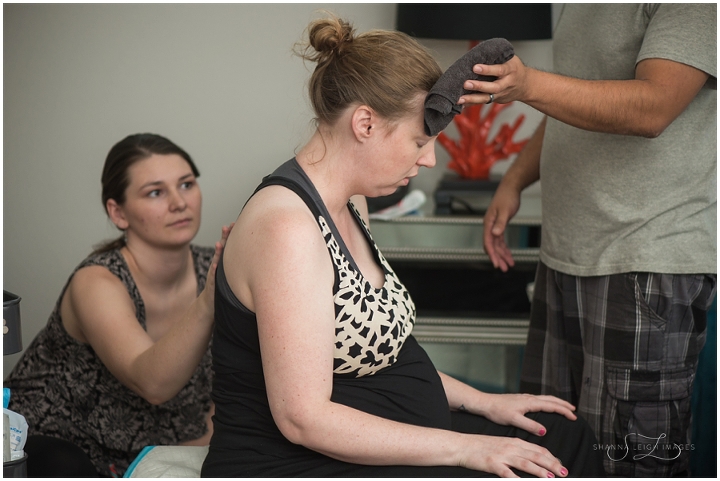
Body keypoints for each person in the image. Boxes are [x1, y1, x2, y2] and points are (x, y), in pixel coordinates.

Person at [201, 16, 605, 478]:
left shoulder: (350, 200)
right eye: (419, 139)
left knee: (561, 434)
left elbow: (384, 354)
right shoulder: (287, 228)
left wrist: (484, 402)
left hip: (380, 426)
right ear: (365, 123)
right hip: (293, 462)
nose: (429, 158)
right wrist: (465, 448)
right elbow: (302, 419)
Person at [458, 4, 716, 477]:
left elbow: (653, 106)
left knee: (629, 461)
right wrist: (514, 180)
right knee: (549, 443)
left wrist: (528, 84)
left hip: (644, 259)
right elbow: (571, 101)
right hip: (564, 257)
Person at [5, 133, 232, 477]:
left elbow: (235, 382)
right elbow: (152, 383)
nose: (178, 202)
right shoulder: (96, 281)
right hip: (63, 449)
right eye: (155, 192)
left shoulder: (213, 268)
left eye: (186, 184)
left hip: (162, 449)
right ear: (118, 212)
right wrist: (209, 301)